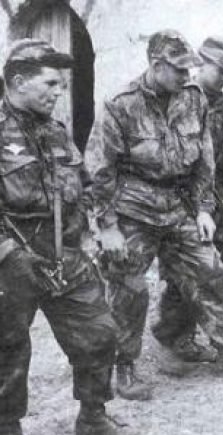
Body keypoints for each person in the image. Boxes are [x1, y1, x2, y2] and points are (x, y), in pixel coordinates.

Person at [85, 29, 223, 402]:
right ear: (156, 65)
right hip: (133, 208)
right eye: (179, 69)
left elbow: (204, 162)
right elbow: (100, 170)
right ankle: (124, 365)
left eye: (190, 69)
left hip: (177, 205)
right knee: (129, 288)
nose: (187, 76)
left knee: (209, 269)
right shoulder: (120, 104)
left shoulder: (193, 99)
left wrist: (203, 209)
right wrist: (107, 227)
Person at [0, 39, 118, 435]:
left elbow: (85, 185)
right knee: (7, 349)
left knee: (99, 331)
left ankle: (92, 416)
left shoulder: (56, 131)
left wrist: (97, 230)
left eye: (61, 85)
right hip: (11, 261)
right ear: (19, 81)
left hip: (64, 254)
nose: (59, 92)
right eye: (50, 83)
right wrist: (9, 253)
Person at [151, 36, 223, 364]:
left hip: (222, 199)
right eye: (221, 70)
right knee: (184, 274)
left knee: (219, 267)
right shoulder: (182, 100)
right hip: (189, 204)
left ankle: (203, 334)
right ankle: (177, 336)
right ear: (201, 65)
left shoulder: (222, 103)